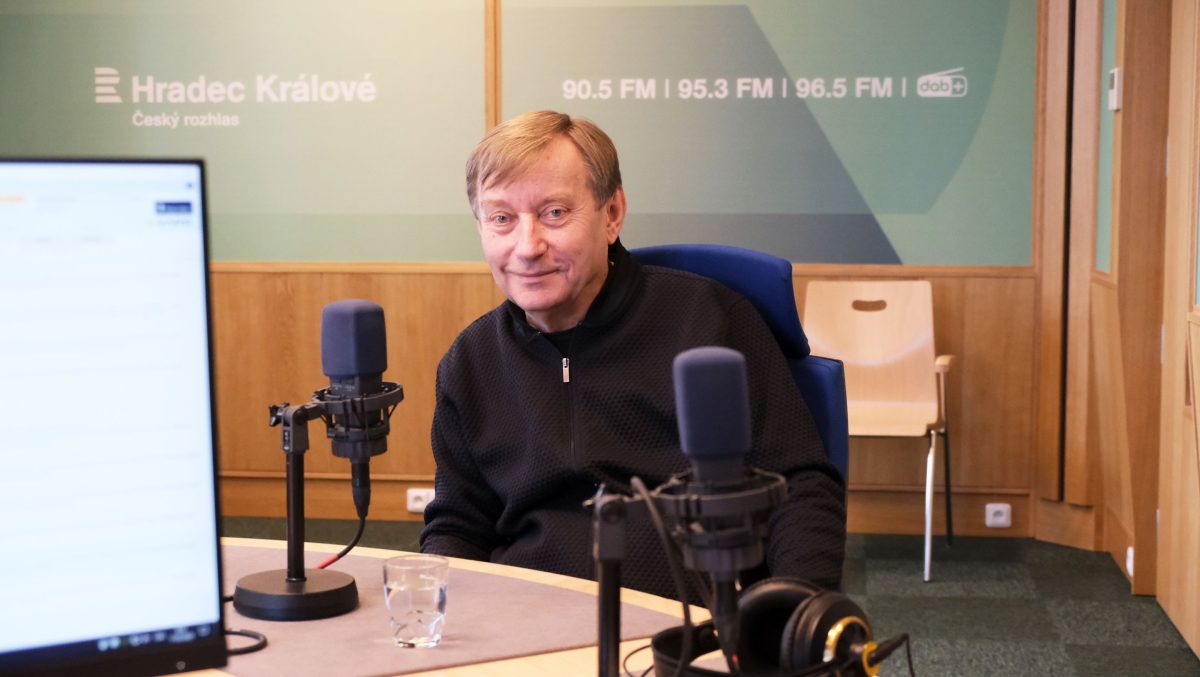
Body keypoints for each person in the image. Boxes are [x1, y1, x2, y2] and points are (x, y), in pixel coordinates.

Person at [419, 110, 846, 601]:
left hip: (683, 621)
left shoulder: (708, 322)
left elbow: (799, 486)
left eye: (555, 213)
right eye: (502, 219)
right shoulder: (470, 361)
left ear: (612, 214)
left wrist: (790, 612)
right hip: (526, 620)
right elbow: (459, 525)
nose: (527, 246)